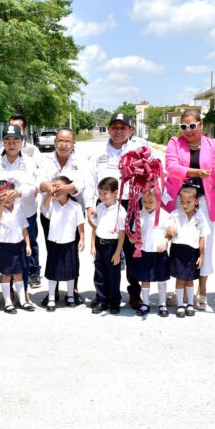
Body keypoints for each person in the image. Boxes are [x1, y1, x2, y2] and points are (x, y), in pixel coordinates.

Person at [164, 110, 215, 310]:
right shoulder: (174, 143)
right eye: (184, 126)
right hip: (179, 198)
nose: (188, 130)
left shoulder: (213, 144)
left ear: (200, 125)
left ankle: (202, 289)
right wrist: (195, 172)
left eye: (192, 126)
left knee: (203, 243)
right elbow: (171, 166)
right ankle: (178, 288)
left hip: (205, 199)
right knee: (178, 242)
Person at [86, 113, 148, 309]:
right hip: (105, 205)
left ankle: (134, 292)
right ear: (108, 128)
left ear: (131, 130)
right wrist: (89, 205)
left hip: (131, 205)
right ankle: (104, 294)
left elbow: (150, 177)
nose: (118, 131)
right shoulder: (99, 154)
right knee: (104, 253)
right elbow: (89, 181)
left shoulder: (140, 151)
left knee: (132, 251)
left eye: (123, 127)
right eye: (114, 127)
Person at [0, 124, 39, 293]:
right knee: (7, 250)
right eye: (7, 141)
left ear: (22, 142)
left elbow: (35, 186)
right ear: (3, 142)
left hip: (25, 212)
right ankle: (9, 292)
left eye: (15, 140)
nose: (11, 144)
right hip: (4, 215)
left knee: (25, 251)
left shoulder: (29, 162)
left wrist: (18, 193)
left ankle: (23, 290)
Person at [37, 127, 87, 305]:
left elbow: (83, 182)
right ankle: (53, 290)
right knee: (53, 250)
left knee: (72, 252)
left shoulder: (79, 161)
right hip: (50, 211)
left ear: (74, 143)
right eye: (60, 140)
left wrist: (67, 188)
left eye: (68, 141)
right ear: (55, 142)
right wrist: (48, 188)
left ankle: (73, 290)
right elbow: (40, 180)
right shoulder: (45, 160)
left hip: (72, 211)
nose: (64, 144)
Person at [8, 114, 44, 288]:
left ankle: (34, 271)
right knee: (9, 240)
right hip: (7, 209)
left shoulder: (32, 152)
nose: (13, 135)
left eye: (18, 128)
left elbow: (37, 178)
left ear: (24, 130)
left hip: (27, 205)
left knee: (31, 239)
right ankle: (11, 270)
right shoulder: (3, 151)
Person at [40, 175, 84, 312]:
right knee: (53, 271)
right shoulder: (51, 203)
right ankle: (52, 297)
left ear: (67, 188)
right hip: (54, 242)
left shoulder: (76, 206)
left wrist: (82, 239)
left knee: (71, 271)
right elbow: (44, 208)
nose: (56, 189)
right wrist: (48, 192)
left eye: (59, 186)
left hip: (70, 242)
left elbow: (80, 225)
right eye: (54, 186)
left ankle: (70, 295)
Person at [165, 185, 209, 318]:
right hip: (178, 250)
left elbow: (202, 237)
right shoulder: (175, 215)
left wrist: (201, 255)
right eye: (182, 202)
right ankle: (180, 305)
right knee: (180, 279)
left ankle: (190, 303)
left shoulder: (200, 217)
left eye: (188, 202)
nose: (184, 205)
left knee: (190, 279)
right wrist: (170, 228)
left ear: (196, 201)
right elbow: (168, 226)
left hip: (192, 252)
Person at [0, 182, 33, 314]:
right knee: (7, 275)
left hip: (19, 246)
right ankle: (8, 302)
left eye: (9, 195)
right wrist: (1, 204)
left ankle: (22, 301)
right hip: (5, 247)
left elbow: (24, 229)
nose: (7, 198)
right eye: (3, 195)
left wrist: (28, 244)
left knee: (19, 274)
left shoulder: (19, 210)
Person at [130, 188, 170, 317]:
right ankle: (145, 303)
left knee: (162, 279)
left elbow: (171, 232)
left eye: (150, 201)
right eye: (144, 201)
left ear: (158, 201)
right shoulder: (139, 214)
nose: (147, 204)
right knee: (144, 278)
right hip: (144, 252)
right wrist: (133, 238)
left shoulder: (164, 215)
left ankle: (162, 303)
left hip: (159, 253)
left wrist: (165, 241)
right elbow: (134, 233)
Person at [90, 177, 126, 314]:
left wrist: (118, 253)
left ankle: (115, 301)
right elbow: (95, 227)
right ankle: (102, 300)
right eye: (100, 193)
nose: (102, 196)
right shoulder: (99, 206)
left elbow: (122, 234)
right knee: (99, 275)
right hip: (100, 245)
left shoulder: (120, 211)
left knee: (113, 276)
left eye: (105, 193)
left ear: (115, 193)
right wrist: (93, 245)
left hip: (112, 246)